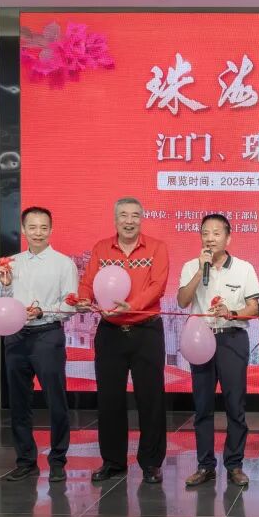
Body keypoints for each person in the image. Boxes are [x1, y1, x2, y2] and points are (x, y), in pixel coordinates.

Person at [75, 197, 169, 484]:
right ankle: (113, 462)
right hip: (110, 332)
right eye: (124, 215)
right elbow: (88, 282)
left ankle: (151, 463)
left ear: (142, 219)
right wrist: (83, 299)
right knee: (110, 399)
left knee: (150, 399)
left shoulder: (157, 248)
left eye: (135, 215)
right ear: (115, 219)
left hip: (146, 331)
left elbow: (158, 285)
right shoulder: (101, 248)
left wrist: (133, 306)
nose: (129, 221)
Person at [177, 213, 259, 488]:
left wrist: (232, 312)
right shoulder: (192, 266)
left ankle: (234, 465)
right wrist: (201, 270)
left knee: (235, 405)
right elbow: (182, 301)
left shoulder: (244, 268)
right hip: (200, 339)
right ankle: (205, 465)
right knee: (202, 406)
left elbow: (254, 308)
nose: (210, 239)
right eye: (205, 233)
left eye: (216, 233)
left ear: (228, 238)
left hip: (231, 338)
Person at [0, 206, 78, 484]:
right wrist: (5, 284)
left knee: (56, 400)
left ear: (51, 230)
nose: (38, 233)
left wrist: (43, 312)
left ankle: (57, 460)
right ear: (23, 230)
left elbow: (70, 304)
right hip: (16, 336)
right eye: (32, 227)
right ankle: (25, 461)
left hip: (47, 335)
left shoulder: (63, 264)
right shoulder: (11, 263)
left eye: (43, 227)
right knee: (19, 402)